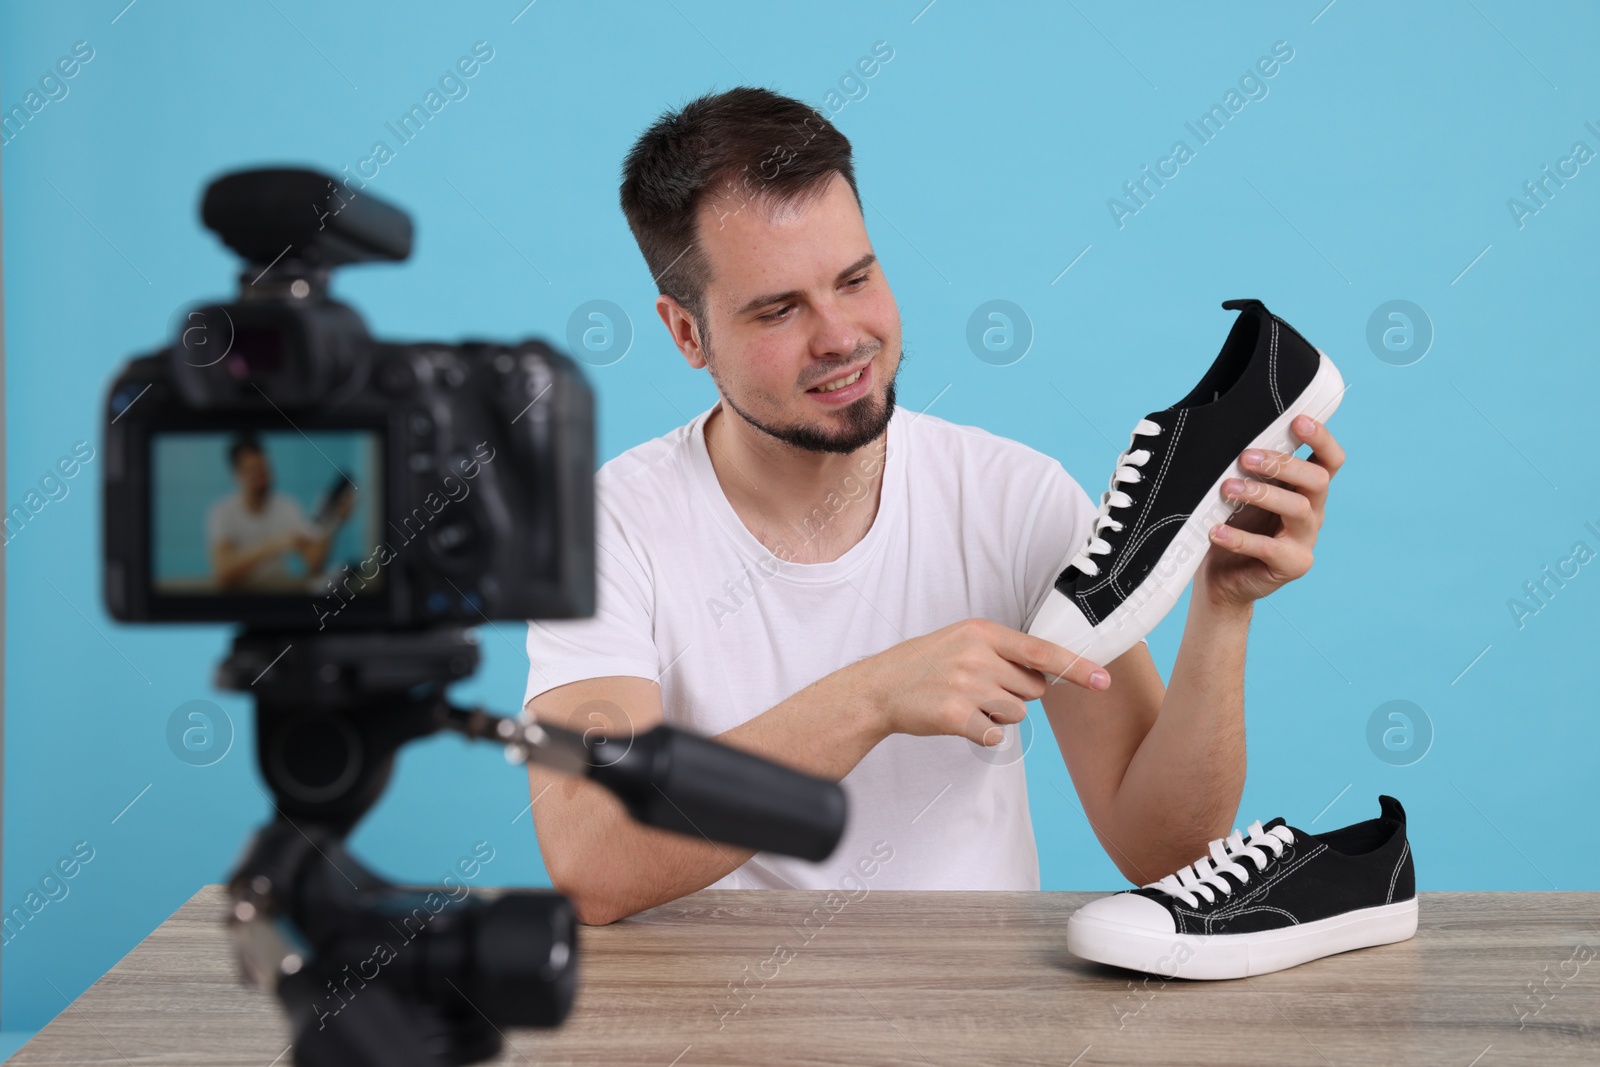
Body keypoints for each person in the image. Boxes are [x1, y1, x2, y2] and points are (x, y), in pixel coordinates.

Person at [521, 88, 1345, 925]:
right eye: (779, 308)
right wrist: (873, 697)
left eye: (856, 278)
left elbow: (1164, 849)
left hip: (972, 1013)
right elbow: (593, 855)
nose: (841, 335)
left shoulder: (1012, 499)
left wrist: (1223, 608)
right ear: (687, 334)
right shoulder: (604, 528)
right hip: (721, 1030)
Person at [206, 436, 353, 590]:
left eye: (264, 468)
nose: (262, 477)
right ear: (236, 474)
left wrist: (334, 520)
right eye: (252, 470)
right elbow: (222, 573)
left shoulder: (288, 506)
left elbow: (314, 564)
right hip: (240, 602)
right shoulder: (222, 512)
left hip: (278, 596)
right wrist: (274, 545)